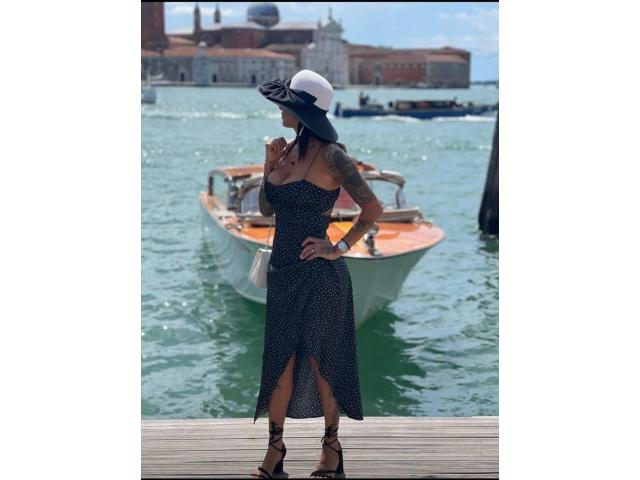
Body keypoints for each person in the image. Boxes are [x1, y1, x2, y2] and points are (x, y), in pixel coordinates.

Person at [250, 69, 383, 479]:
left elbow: (372, 208)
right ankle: (275, 452)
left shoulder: (332, 156)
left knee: (323, 363)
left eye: (286, 104)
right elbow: (267, 209)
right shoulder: (286, 151)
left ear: (302, 111)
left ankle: (331, 450)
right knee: (280, 364)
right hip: (283, 274)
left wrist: (336, 247)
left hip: (321, 277)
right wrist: (269, 166)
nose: (279, 110)